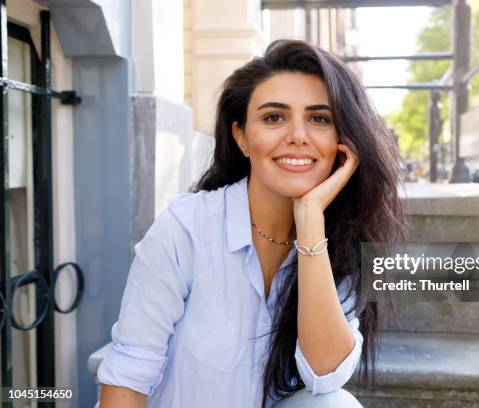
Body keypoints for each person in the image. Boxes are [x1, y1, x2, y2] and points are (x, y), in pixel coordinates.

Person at [96, 39, 404, 408]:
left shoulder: (339, 241)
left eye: (319, 119)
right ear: (241, 137)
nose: (297, 135)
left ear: (343, 143)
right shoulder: (186, 228)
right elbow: (128, 377)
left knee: (333, 405)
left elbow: (323, 374)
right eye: (274, 117)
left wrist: (309, 222)